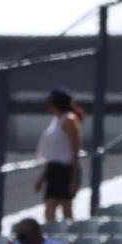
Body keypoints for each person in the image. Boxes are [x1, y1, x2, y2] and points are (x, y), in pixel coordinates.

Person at [34, 87, 83, 223]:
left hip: (66, 169)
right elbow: (53, 153)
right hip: (53, 169)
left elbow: (75, 149)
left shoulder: (69, 119)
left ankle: (68, 236)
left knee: (66, 208)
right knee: (50, 207)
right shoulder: (56, 120)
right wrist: (43, 177)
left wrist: (74, 178)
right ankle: (53, 235)